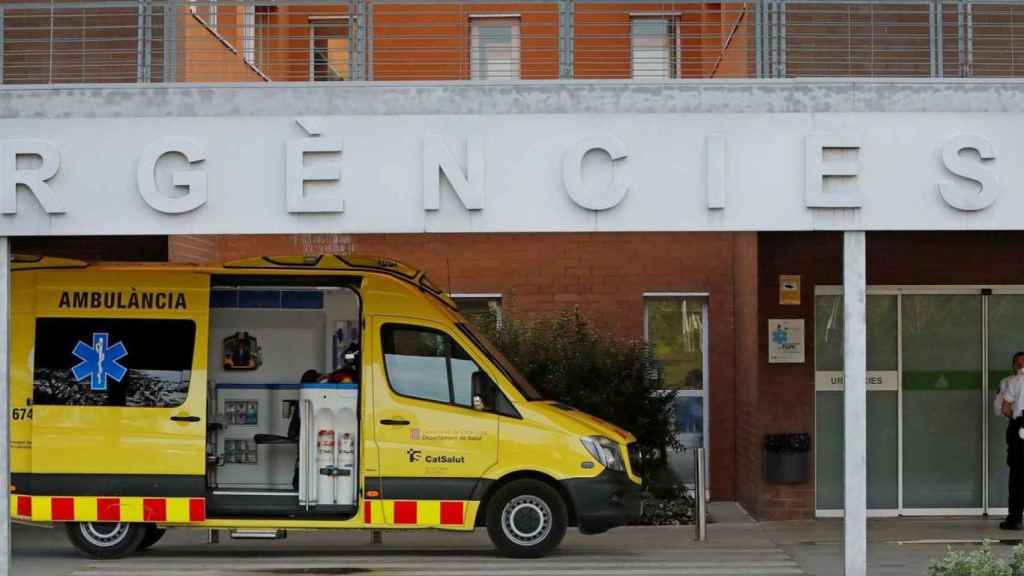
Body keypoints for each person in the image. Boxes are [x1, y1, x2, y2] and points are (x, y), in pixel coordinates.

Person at [1000, 352, 1024, 530]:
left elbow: (1005, 408)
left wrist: (1015, 421)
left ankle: (1015, 519)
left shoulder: (1015, 381)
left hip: (1021, 427)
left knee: (1018, 475)